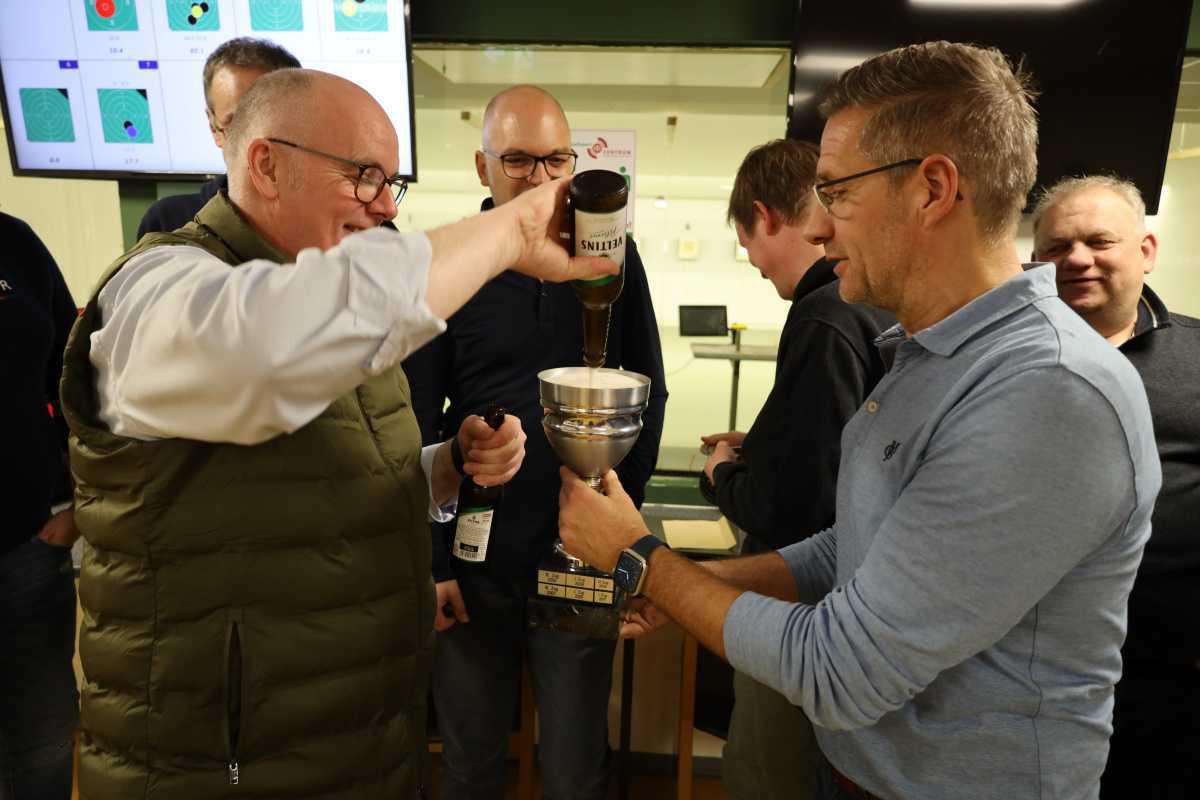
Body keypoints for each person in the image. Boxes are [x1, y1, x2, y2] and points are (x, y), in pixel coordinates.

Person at [557, 41, 1161, 800]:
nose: (817, 227)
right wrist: (696, 582)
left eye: (836, 192)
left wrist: (641, 557)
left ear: (932, 189)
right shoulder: (926, 353)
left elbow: (841, 672)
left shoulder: (1048, 392)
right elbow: (856, 546)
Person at [59, 69, 616, 800]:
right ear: (266, 165)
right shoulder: (155, 287)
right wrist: (510, 231)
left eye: (391, 183)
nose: (384, 205)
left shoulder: (330, 300)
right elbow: (267, 348)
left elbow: (327, 479)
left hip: (360, 745)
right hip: (227, 765)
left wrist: (447, 465)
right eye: (362, 175)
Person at [402, 84, 666, 800]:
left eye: (555, 160)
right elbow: (418, 416)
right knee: (469, 764)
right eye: (517, 160)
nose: (540, 178)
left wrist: (619, 524)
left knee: (576, 770)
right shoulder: (455, 261)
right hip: (473, 568)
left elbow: (648, 393)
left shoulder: (613, 258)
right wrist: (433, 562)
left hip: (579, 560)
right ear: (482, 166)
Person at [703, 139, 893, 800]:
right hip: (854, 612)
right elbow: (837, 446)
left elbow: (796, 506)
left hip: (802, 612)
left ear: (763, 215)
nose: (754, 263)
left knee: (768, 772)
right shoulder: (870, 307)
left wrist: (723, 474)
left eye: (746, 243)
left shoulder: (825, 314)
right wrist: (762, 443)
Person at [1031, 175, 1200, 800]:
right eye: (1057, 247)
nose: (1077, 259)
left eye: (1099, 242)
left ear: (1146, 251)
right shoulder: (1004, 359)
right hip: (1031, 674)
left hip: (1167, 677)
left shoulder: (1198, 360)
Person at [0, 213, 80, 799]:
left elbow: (74, 377)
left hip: (28, 542)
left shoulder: (15, 243)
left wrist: (79, 502)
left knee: (45, 741)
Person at [136, 37, 300, 239]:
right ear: (214, 128)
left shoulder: (328, 219)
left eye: (268, 117)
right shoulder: (167, 223)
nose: (256, 144)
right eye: (236, 122)